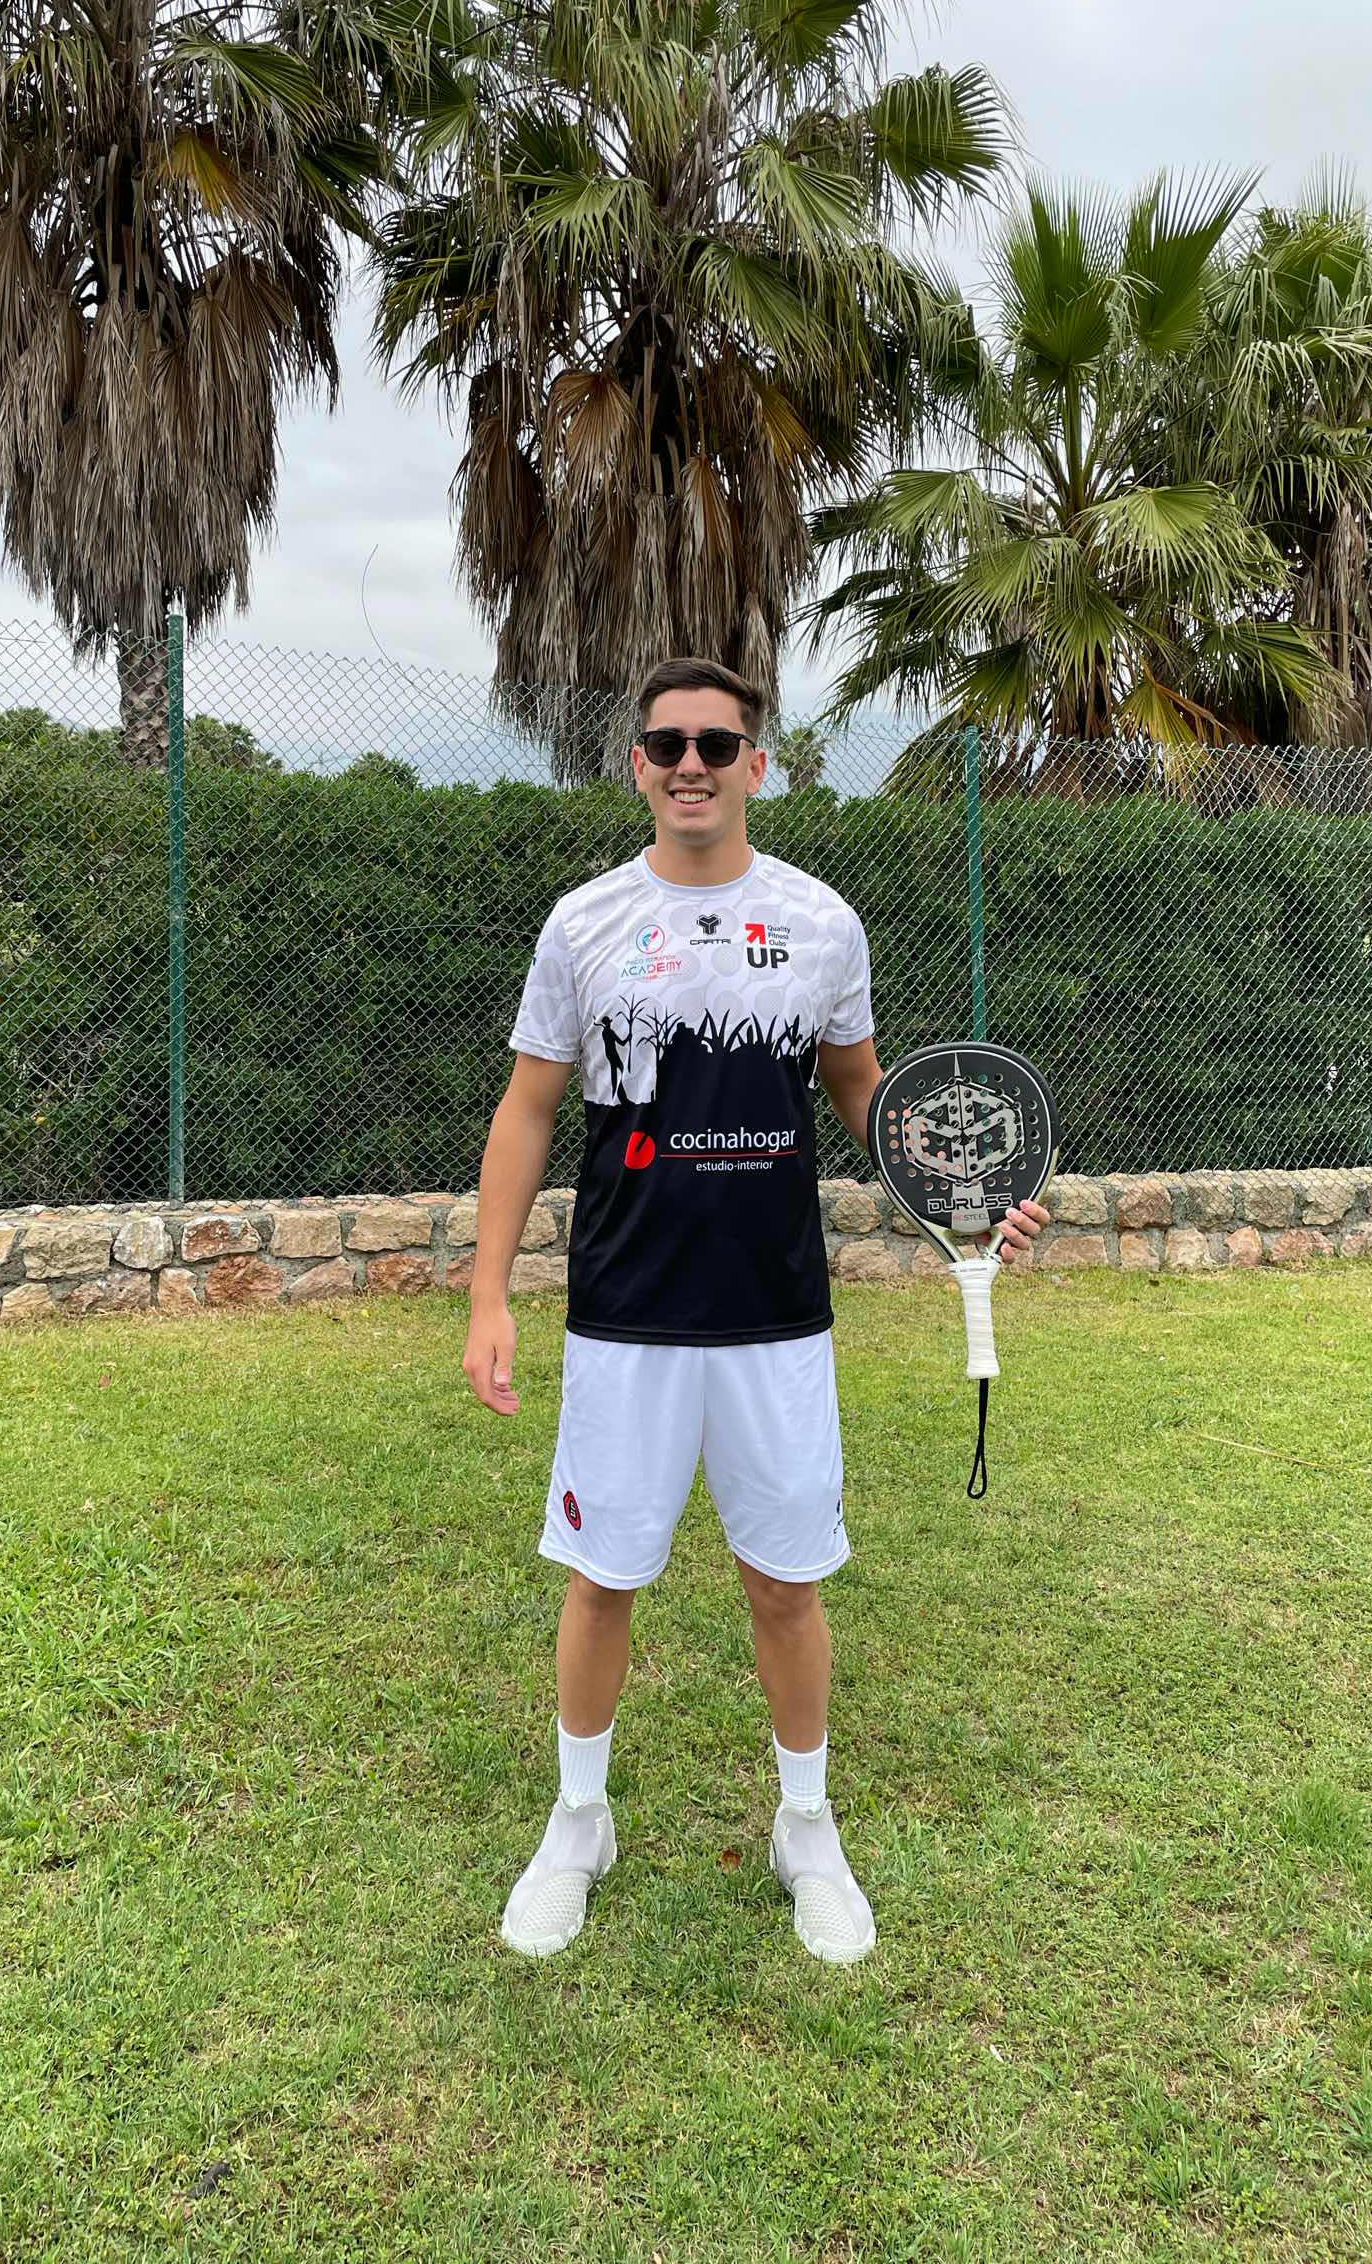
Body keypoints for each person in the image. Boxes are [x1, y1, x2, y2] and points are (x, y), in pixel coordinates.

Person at [462, 657, 1050, 1964]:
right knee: (602, 1578)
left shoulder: (821, 922)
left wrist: (965, 1198)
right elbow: (527, 1110)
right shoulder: (582, 924)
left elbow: (863, 1092)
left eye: (717, 746)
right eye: (668, 743)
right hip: (623, 1313)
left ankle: (806, 1828)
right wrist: (488, 1294)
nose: (692, 765)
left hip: (777, 1315)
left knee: (785, 1583)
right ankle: (578, 1824)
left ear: (756, 766)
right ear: (637, 765)